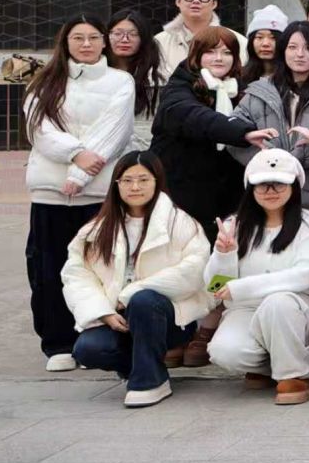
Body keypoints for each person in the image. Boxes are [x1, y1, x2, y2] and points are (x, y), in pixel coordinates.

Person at [24, 16, 136, 372]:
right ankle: (58, 343)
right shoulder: (44, 81)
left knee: (100, 268)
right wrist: (75, 154)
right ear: (65, 42)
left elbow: (114, 131)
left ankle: (93, 336)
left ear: (104, 42)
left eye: (93, 37)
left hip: (98, 193)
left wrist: (79, 173)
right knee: (48, 268)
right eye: (77, 38)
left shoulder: (120, 81)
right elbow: (39, 130)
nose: (86, 44)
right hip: (51, 193)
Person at [62, 152, 212, 408]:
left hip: (168, 317)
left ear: (157, 182)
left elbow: (194, 272)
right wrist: (103, 312)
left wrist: (131, 292)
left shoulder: (181, 223)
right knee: (87, 349)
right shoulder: (96, 229)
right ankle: (144, 369)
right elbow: (77, 275)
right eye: (127, 180)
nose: (135, 187)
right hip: (117, 317)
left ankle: (149, 382)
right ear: (116, 184)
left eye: (143, 179)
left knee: (143, 300)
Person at [204, 150, 309, 405]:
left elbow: (304, 276)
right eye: (262, 185)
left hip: (299, 307)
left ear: (294, 186)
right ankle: (272, 364)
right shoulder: (235, 225)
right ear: (250, 188)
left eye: (279, 184)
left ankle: (292, 375)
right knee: (223, 352)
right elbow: (215, 286)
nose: (270, 191)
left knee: (278, 303)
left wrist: (242, 287)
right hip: (247, 309)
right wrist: (223, 255)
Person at [153, 25, 273, 235]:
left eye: (227, 53)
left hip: (227, 196)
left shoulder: (242, 88)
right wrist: (241, 132)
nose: (219, 58)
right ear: (196, 55)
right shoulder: (180, 85)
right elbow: (192, 115)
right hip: (181, 190)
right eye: (210, 52)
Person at [232, 23, 309, 212]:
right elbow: (234, 137)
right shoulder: (259, 91)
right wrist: (272, 162)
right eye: (292, 47)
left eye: (308, 48)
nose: (300, 54)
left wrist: (291, 160)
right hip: (265, 197)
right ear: (282, 51)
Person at [104, 10, 163, 153]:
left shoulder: (156, 81)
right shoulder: (95, 74)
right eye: (118, 33)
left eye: (133, 34)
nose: (125, 39)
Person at [156, 0, 223, 76]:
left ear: (214, 3)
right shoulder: (159, 43)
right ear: (178, 1)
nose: (196, 1)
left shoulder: (236, 41)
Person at [239, 4, 287, 87]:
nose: (265, 43)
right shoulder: (241, 77)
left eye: (273, 38)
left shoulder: (292, 78)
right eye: (259, 37)